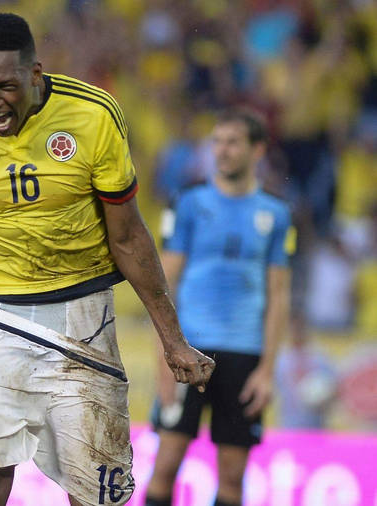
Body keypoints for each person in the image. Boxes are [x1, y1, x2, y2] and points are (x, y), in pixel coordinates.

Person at [0, 13, 214, 506]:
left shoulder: (94, 115)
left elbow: (129, 237)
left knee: (95, 496)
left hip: (83, 320)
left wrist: (173, 340)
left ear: (35, 72)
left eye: (5, 85)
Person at [146, 110, 293, 506]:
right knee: (166, 463)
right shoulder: (189, 204)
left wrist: (266, 370)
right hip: (189, 349)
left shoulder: (276, 214)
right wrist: (165, 357)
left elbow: (279, 295)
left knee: (232, 477)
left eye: (231, 142)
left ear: (257, 150)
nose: (221, 151)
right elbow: (165, 285)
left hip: (244, 355)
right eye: (217, 142)